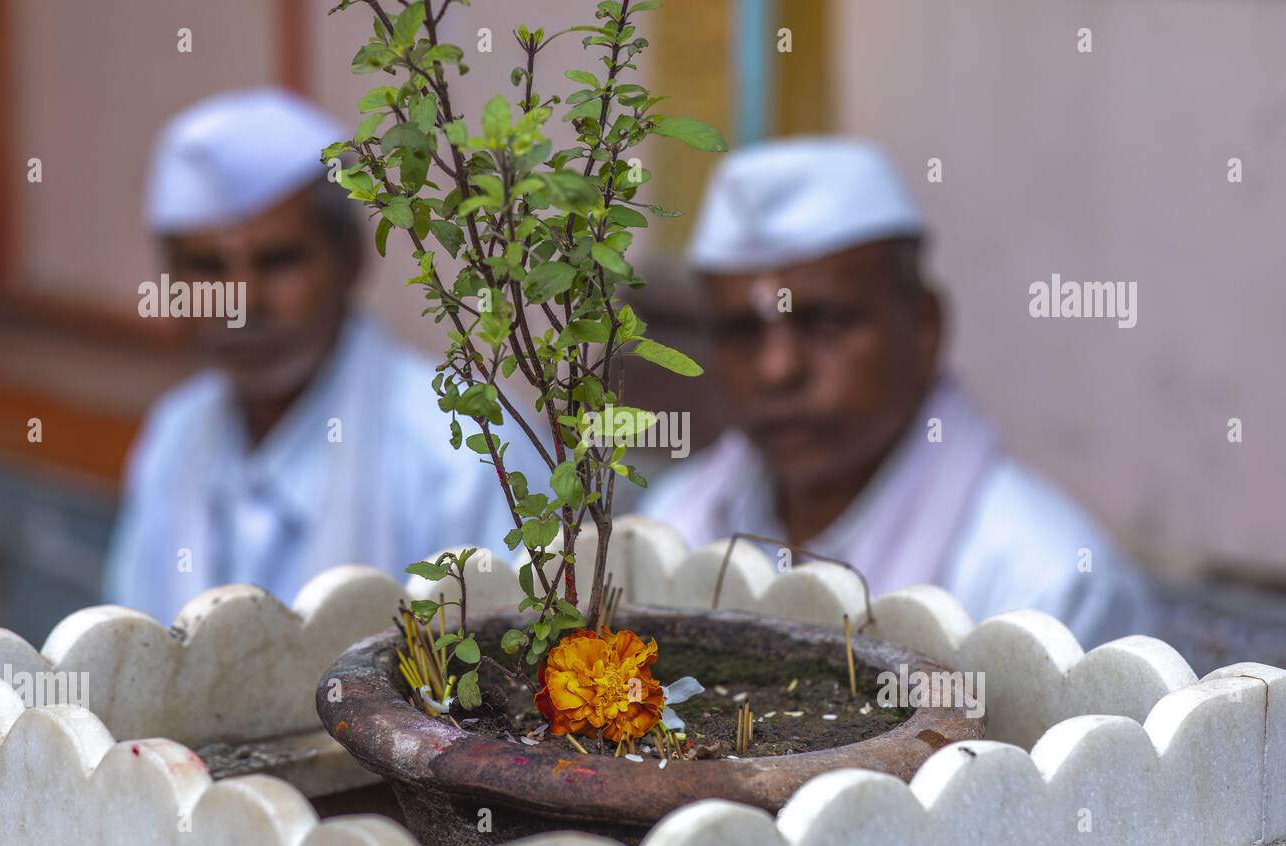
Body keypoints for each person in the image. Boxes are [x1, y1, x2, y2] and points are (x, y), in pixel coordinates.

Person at [640, 137, 1153, 648]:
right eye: (742, 331)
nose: (778, 369)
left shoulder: (1045, 586)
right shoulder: (674, 525)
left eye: (826, 322)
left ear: (925, 327)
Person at [106, 88, 537, 624]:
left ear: (350, 259)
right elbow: (131, 658)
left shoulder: (463, 450)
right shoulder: (176, 434)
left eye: (279, 260)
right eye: (207, 268)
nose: (242, 302)